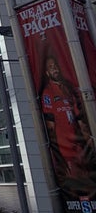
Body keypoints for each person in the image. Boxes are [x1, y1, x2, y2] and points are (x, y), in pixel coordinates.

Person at [39, 53, 96, 197]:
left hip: (79, 147)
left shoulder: (67, 89)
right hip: (65, 150)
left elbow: (79, 119)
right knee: (76, 186)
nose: (54, 69)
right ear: (47, 72)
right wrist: (57, 155)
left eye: (55, 66)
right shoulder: (48, 93)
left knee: (88, 181)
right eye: (51, 67)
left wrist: (88, 141)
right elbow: (50, 127)